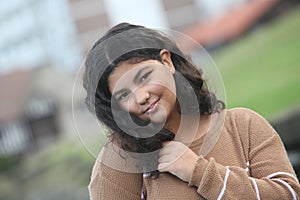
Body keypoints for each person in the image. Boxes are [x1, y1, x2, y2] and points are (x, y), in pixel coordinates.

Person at [83, 22, 300, 200]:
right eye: (123, 95)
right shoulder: (120, 162)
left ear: (167, 61)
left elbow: (289, 195)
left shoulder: (243, 125)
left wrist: (200, 172)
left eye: (143, 77)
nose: (141, 97)